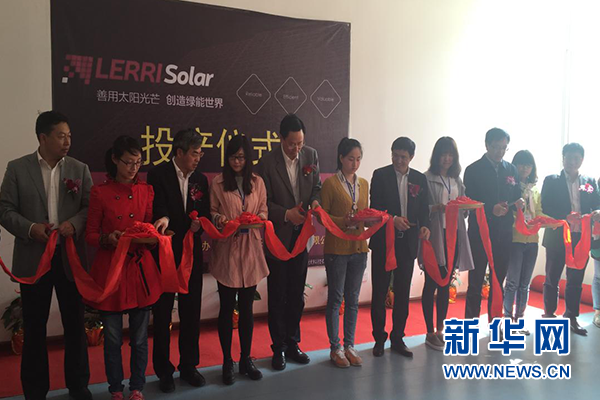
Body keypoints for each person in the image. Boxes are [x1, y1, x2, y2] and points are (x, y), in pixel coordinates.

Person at [0, 111, 92, 400]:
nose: (67, 142)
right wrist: (30, 229)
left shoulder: (79, 169)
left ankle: (78, 386)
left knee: (74, 323)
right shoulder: (18, 168)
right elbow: (5, 209)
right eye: (61, 136)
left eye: (69, 136)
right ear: (43, 137)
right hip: (33, 258)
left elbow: (90, 207)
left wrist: (73, 224)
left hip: (69, 258)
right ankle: (35, 391)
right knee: (34, 326)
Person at [85, 136, 161, 400]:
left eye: (138, 163)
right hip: (111, 271)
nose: (133, 168)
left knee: (139, 338)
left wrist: (154, 236)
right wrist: (108, 238)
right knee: (113, 339)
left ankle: (137, 387)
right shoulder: (100, 192)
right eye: (128, 162)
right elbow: (90, 234)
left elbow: (148, 228)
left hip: (139, 271)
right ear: (115, 159)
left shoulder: (146, 191)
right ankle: (116, 388)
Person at [255, 114, 321, 371]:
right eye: (292, 143)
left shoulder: (311, 155)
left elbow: (316, 187)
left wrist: (315, 201)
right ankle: (278, 348)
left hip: (302, 236)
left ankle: (293, 343)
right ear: (280, 138)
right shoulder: (267, 163)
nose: (296, 149)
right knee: (278, 295)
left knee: (296, 294)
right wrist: (285, 214)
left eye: (300, 143)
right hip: (279, 237)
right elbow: (263, 201)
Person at [148, 129, 209, 392]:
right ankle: (164, 371)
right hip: (165, 253)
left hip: (191, 252)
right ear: (180, 152)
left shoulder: (200, 180)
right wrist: (164, 219)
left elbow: (204, 213)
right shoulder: (158, 174)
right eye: (194, 153)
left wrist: (200, 223)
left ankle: (189, 366)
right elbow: (157, 207)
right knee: (162, 313)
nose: (198, 158)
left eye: (200, 153)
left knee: (191, 310)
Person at [209, 135, 269, 385]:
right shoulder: (218, 182)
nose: (237, 162)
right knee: (226, 309)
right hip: (228, 249)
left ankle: (246, 359)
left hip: (251, 249)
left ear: (248, 158)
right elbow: (212, 211)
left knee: (246, 309)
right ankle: (227, 361)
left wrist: (258, 218)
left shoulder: (257, 181)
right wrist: (219, 219)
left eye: (242, 157)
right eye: (233, 157)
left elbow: (263, 209)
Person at [370, 137, 430, 358]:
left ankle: (398, 338)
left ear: (411, 157)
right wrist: (392, 219)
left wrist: (424, 226)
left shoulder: (419, 179)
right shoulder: (380, 175)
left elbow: (424, 209)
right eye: (395, 155)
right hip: (384, 243)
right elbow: (375, 208)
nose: (398, 160)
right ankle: (379, 339)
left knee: (403, 293)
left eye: (403, 157)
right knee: (380, 291)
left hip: (407, 243)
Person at [541, 143, 600, 335]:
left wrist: (597, 211)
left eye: (576, 158)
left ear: (582, 160)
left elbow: (596, 203)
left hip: (581, 238)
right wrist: (565, 216)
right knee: (552, 277)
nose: (572, 162)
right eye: (569, 158)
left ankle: (571, 317)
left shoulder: (589, 181)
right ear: (563, 158)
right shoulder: (551, 180)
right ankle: (549, 314)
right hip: (558, 235)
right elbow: (546, 206)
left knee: (575, 279)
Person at [421, 137, 473, 351]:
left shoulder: (456, 180)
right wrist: (436, 208)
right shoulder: (426, 178)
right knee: (431, 282)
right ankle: (429, 331)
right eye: (444, 154)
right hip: (435, 235)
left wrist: (465, 208)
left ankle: (440, 329)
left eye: (451, 155)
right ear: (437, 156)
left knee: (445, 283)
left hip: (453, 235)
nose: (447, 159)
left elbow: (464, 206)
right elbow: (420, 208)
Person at [464, 128, 521, 320]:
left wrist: (518, 203)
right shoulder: (473, 170)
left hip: (503, 234)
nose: (500, 152)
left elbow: (515, 195)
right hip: (479, 233)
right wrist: (490, 209)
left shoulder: (511, 169)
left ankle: (495, 323)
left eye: (504, 148)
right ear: (487, 145)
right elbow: (469, 200)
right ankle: (470, 325)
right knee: (475, 282)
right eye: (496, 147)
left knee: (498, 282)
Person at [321, 138, 369, 368]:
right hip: (337, 249)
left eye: (358, 159)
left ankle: (350, 345)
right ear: (341, 158)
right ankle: (335, 347)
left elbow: (364, 213)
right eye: (351, 159)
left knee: (353, 299)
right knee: (336, 299)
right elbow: (323, 217)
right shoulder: (330, 184)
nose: (355, 164)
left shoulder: (364, 184)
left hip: (359, 248)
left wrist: (369, 219)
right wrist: (344, 221)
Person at [503, 150, 542, 334]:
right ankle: (507, 320)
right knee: (512, 282)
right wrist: (514, 207)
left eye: (528, 164)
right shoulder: (510, 186)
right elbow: (506, 210)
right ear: (514, 165)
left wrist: (550, 221)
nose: (525, 168)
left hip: (532, 240)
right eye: (521, 164)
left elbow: (539, 212)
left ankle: (519, 319)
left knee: (525, 284)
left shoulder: (535, 189)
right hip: (515, 239)